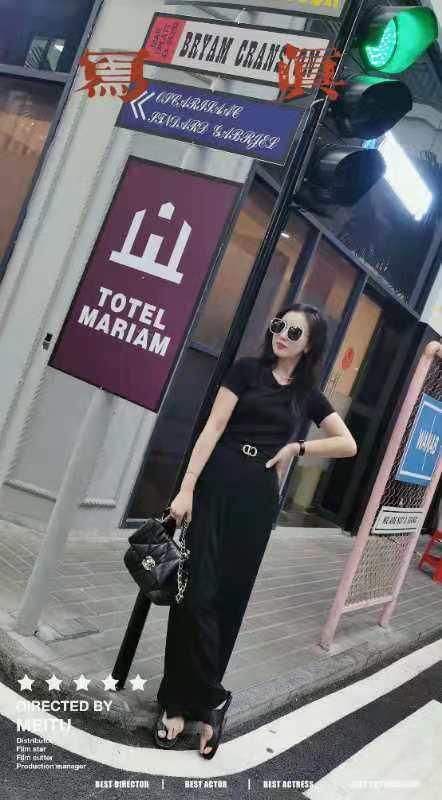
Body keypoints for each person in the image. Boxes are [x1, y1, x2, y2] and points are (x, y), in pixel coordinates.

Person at [153, 302, 357, 758]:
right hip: (216, 483)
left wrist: (297, 448)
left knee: (228, 600)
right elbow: (214, 427)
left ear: (310, 345)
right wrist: (186, 488)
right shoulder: (246, 371)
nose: (281, 334)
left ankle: (200, 704)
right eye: (279, 325)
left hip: (257, 499)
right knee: (194, 595)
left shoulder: (307, 395)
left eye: (294, 331)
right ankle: (190, 699)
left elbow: (348, 443)